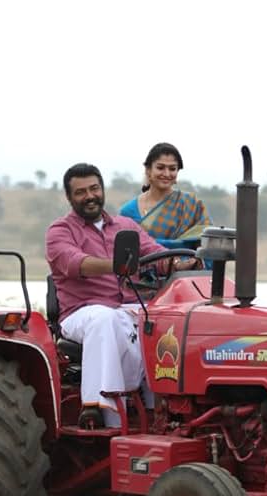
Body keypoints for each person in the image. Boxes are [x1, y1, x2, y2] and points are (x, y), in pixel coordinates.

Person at [46, 163, 197, 428]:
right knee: (105, 320)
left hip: (126, 307)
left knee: (167, 320)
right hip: (81, 313)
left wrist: (184, 264)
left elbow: (155, 256)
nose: (89, 196)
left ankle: (161, 407)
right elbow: (74, 262)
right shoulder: (60, 231)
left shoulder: (125, 227)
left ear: (102, 190)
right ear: (70, 198)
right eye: (80, 192)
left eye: (94, 188)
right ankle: (97, 406)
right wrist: (118, 264)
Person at [119, 142, 211, 250]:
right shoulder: (128, 212)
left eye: (172, 169)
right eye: (160, 167)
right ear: (148, 170)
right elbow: (124, 250)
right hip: (144, 266)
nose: (167, 174)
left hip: (189, 266)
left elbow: (207, 244)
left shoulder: (191, 204)